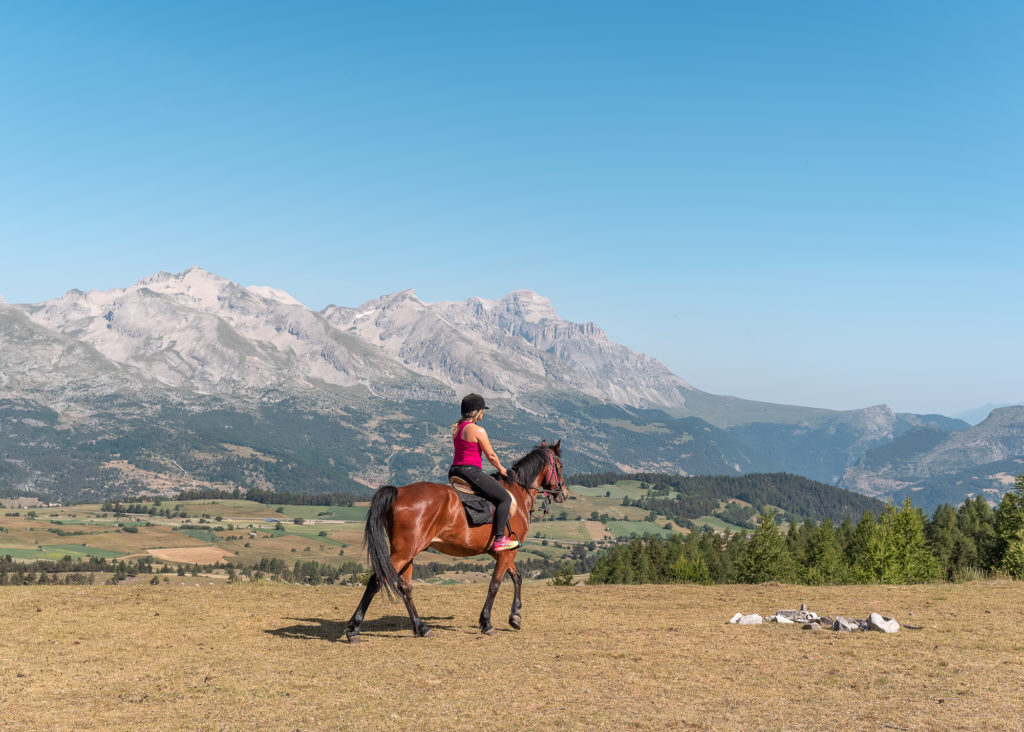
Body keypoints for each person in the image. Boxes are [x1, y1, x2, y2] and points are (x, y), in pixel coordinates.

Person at [448, 393, 519, 551]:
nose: (484, 413)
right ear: (475, 412)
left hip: (455, 471)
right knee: (504, 498)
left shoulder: (457, 428)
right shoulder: (478, 430)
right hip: (470, 472)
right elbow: (491, 456)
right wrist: (502, 469)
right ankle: (500, 539)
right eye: (482, 410)